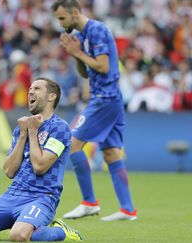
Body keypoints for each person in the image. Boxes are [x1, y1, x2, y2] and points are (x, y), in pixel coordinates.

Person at [0, 77, 82, 241]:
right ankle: (26, 226)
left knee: (18, 235)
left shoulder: (60, 127)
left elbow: (40, 166)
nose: (30, 92)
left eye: (37, 89)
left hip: (42, 197)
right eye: (30, 89)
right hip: (12, 195)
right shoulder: (21, 127)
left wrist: (33, 132)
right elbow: (8, 170)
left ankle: (60, 231)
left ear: (52, 96)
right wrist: (23, 134)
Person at [51, 0, 137, 221]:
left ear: (75, 13)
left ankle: (89, 202)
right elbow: (87, 73)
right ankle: (127, 209)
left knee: (72, 144)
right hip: (109, 99)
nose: (60, 24)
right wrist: (74, 52)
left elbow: (103, 66)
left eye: (62, 18)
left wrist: (78, 53)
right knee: (110, 153)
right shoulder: (82, 36)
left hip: (104, 99)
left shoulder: (97, 30)